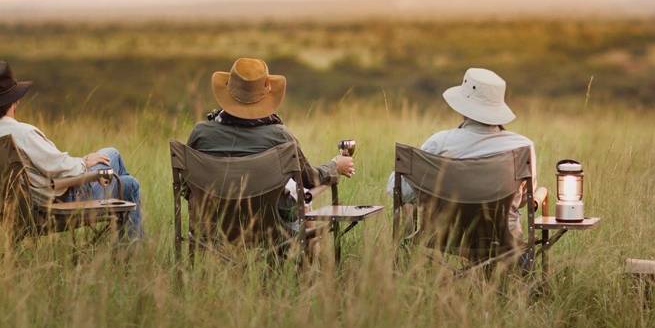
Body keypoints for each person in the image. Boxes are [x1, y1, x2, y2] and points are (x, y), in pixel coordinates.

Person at [0, 61, 144, 239]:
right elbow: (60, 169)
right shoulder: (21, 133)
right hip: (55, 207)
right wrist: (84, 162)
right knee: (117, 162)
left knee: (127, 182)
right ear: (15, 100)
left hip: (17, 210)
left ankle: (126, 242)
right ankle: (130, 248)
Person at [187, 57, 355, 231]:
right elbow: (310, 179)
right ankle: (308, 258)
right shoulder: (279, 136)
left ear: (229, 90)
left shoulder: (201, 133)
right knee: (302, 205)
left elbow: (188, 187)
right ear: (265, 94)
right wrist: (335, 166)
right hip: (270, 230)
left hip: (211, 227)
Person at [387, 67, 543, 243]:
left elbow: (397, 190)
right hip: (503, 239)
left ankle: (406, 258)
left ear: (463, 108)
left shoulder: (440, 143)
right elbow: (523, 201)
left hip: (443, 236)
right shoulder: (522, 147)